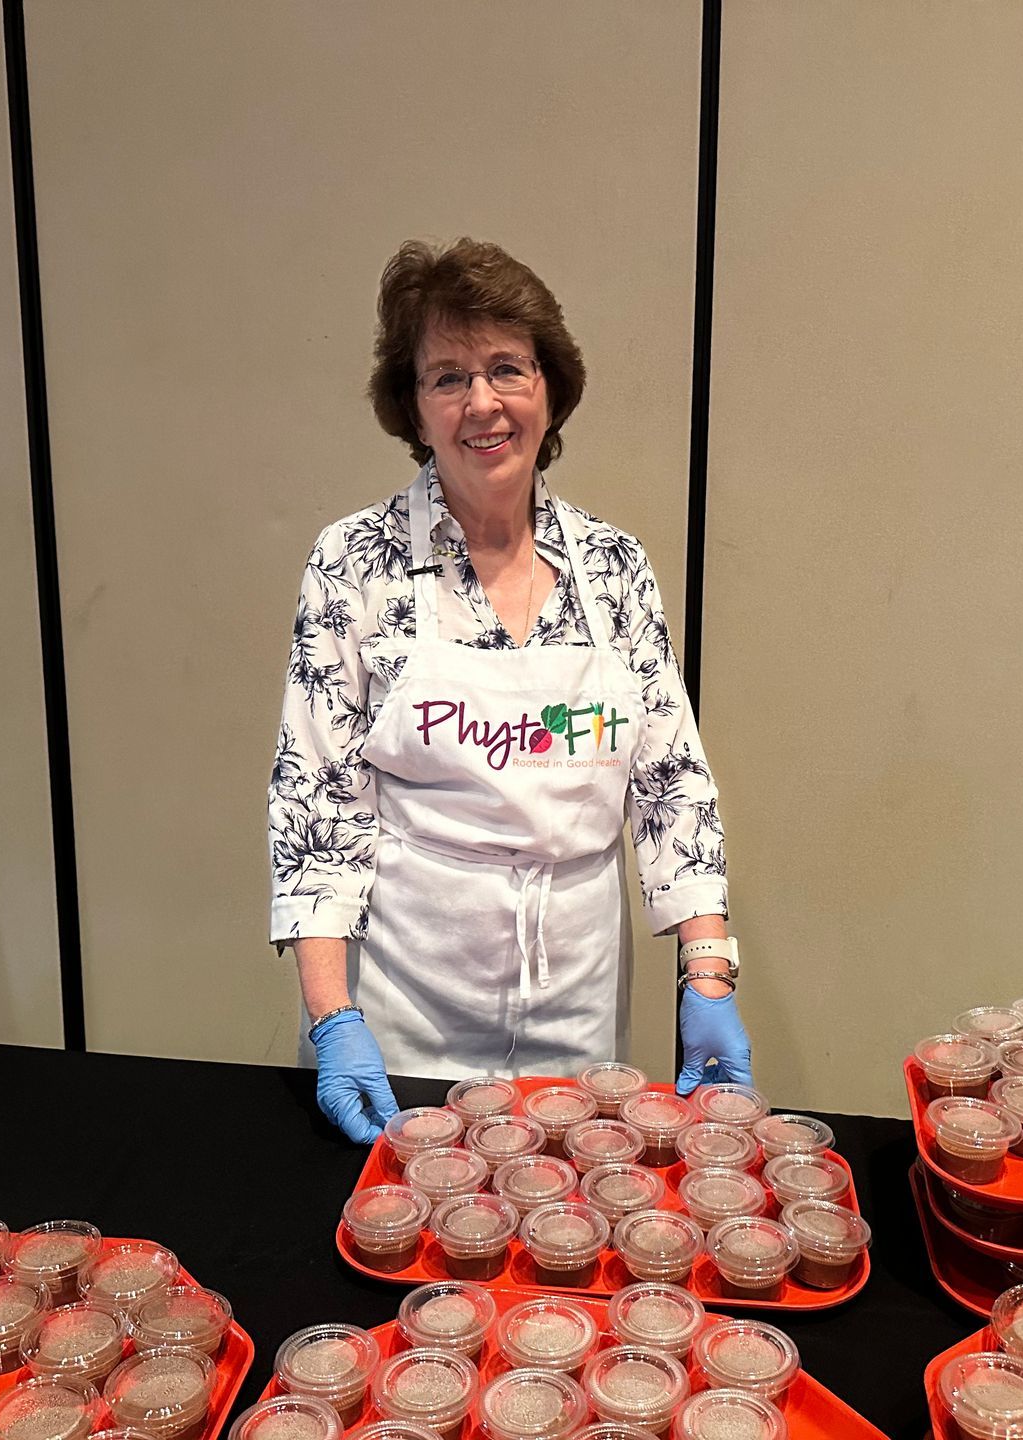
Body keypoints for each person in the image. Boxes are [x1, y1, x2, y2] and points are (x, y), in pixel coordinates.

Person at [268, 238, 752, 1143]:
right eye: (448, 377)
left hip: (576, 990)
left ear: (549, 388)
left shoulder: (613, 567)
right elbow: (317, 802)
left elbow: (669, 783)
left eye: (506, 369)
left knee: (560, 1237)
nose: (482, 402)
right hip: (410, 999)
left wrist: (708, 974)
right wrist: (334, 1020)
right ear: (412, 408)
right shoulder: (355, 565)